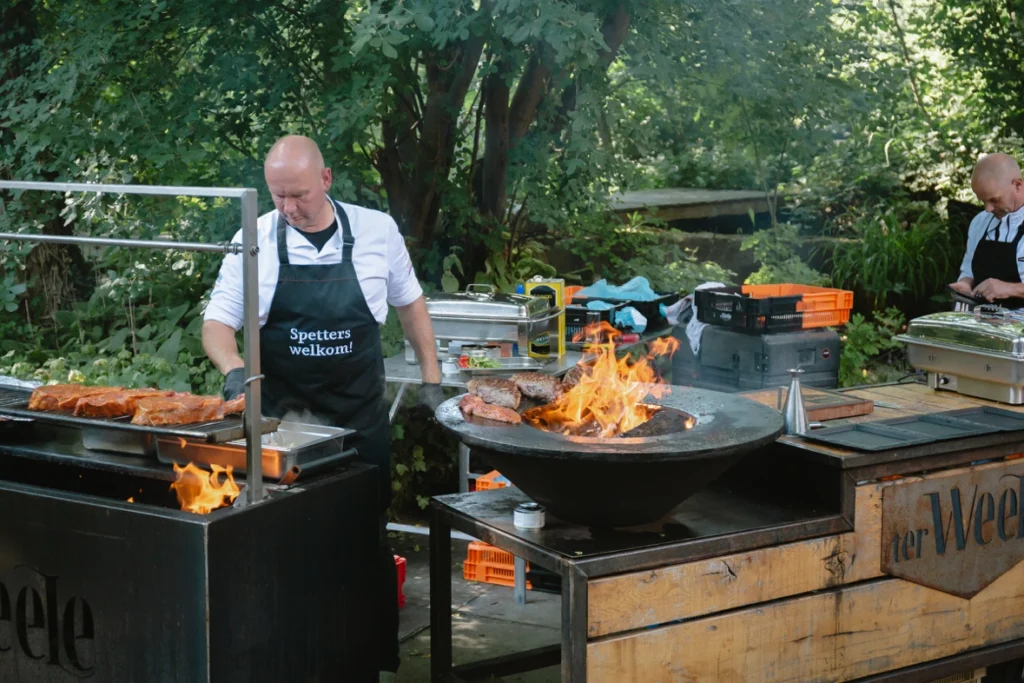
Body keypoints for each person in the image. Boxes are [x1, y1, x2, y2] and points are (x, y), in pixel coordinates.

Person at [201, 135, 443, 681]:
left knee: (363, 539)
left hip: (359, 421)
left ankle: (365, 661)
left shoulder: (378, 231)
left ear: (327, 180)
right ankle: (288, 657)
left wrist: (432, 381)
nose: (288, 208)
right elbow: (217, 322)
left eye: (299, 196)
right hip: (286, 429)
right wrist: (234, 370)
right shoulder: (255, 238)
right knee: (285, 542)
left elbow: (410, 302)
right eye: (278, 196)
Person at [950, 153, 1024, 308]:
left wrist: (1011, 288)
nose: (988, 209)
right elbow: (969, 267)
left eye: (994, 200)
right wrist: (965, 284)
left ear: (1017, 185)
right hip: (983, 323)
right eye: (983, 201)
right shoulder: (980, 222)